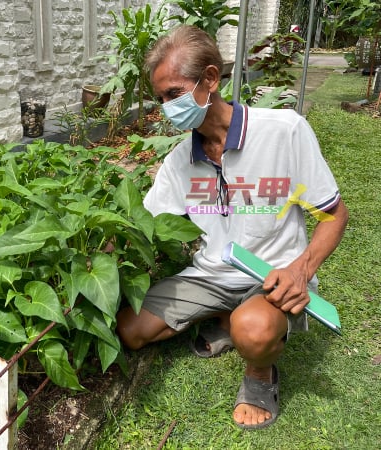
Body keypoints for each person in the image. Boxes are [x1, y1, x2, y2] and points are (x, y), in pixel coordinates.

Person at [116, 25, 348, 429]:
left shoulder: (283, 131)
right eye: (161, 98)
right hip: (211, 274)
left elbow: (334, 214)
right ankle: (227, 312)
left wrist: (301, 270)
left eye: (174, 93)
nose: (166, 107)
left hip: (272, 275)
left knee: (254, 330)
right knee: (131, 330)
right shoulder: (179, 162)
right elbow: (144, 226)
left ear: (210, 78)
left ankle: (260, 374)